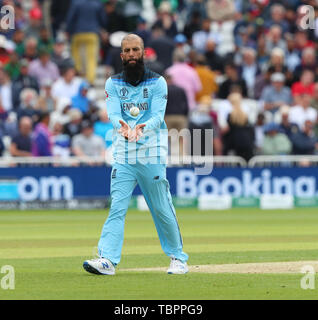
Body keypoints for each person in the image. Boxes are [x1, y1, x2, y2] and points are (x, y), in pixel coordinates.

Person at [83, 34, 188, 276]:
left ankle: (178, 258)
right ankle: (107, 260)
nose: (131, 54)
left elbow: (158, 116)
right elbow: (112, 113)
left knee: (161, 207)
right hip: (124, 153)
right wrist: (121, 126)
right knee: (117, 207)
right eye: (127, 51)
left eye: (135, 50)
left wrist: (142, 128)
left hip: (151, 152)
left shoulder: (158, 82)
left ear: (143, 53)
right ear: (122, 55)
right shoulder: (112, 83)